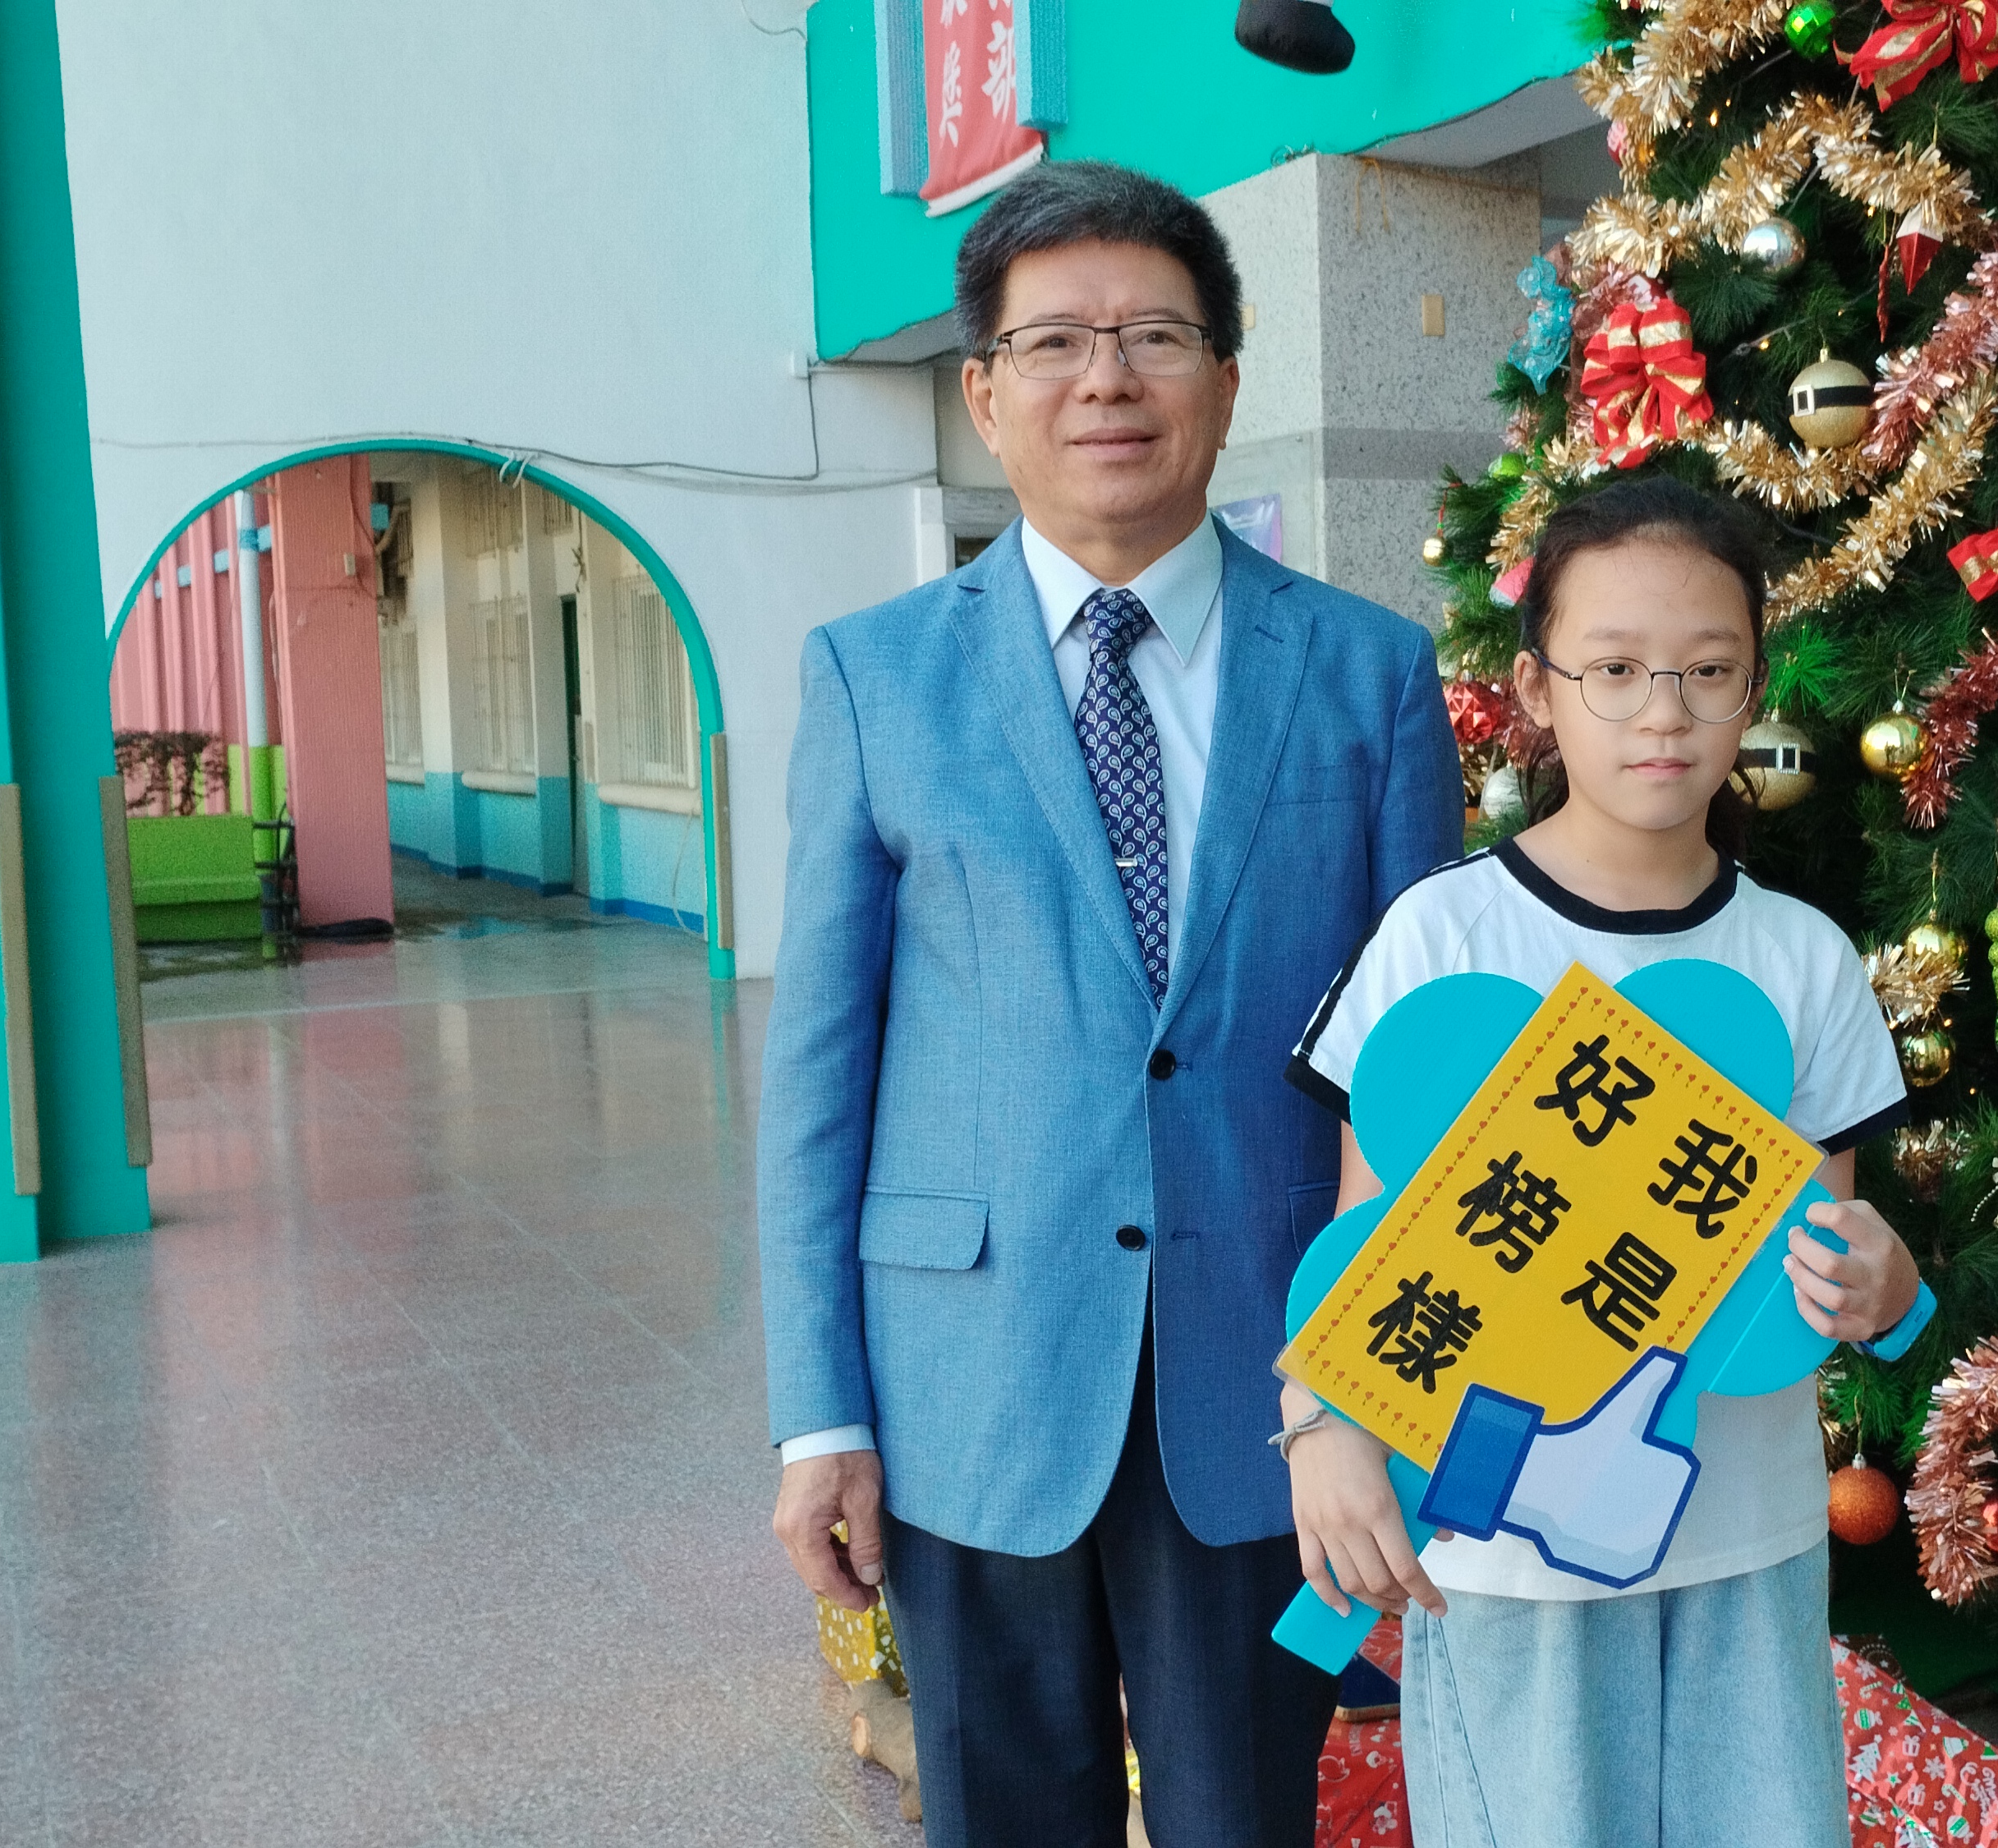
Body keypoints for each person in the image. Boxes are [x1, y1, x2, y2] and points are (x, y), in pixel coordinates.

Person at [756, 159, 1463, 1848]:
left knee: (1242, 1818)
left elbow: (1421, 1071)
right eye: (1056, 341)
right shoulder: (873, 674)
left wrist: (1377, 1385)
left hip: (1272, 1384)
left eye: (1154, 335)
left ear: (1225, 378)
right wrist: (819, 1411)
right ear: (985, 395)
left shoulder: (1368, 670)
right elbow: (819, 1074)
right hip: (971, 1375)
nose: (1107, 379)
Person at [1282, 475, 1928, 1847]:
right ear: (1537, 687)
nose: (1663, 713)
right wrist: (1324, 1430)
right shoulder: (1443, 938)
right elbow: (1365, 1235)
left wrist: (1881, 1283)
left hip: (1745, 1536)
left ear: (1755, 688)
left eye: (1707, 670)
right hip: (1504, 1550)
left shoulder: (1800, 957)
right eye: (1616, 669)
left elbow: (1820, 1259)